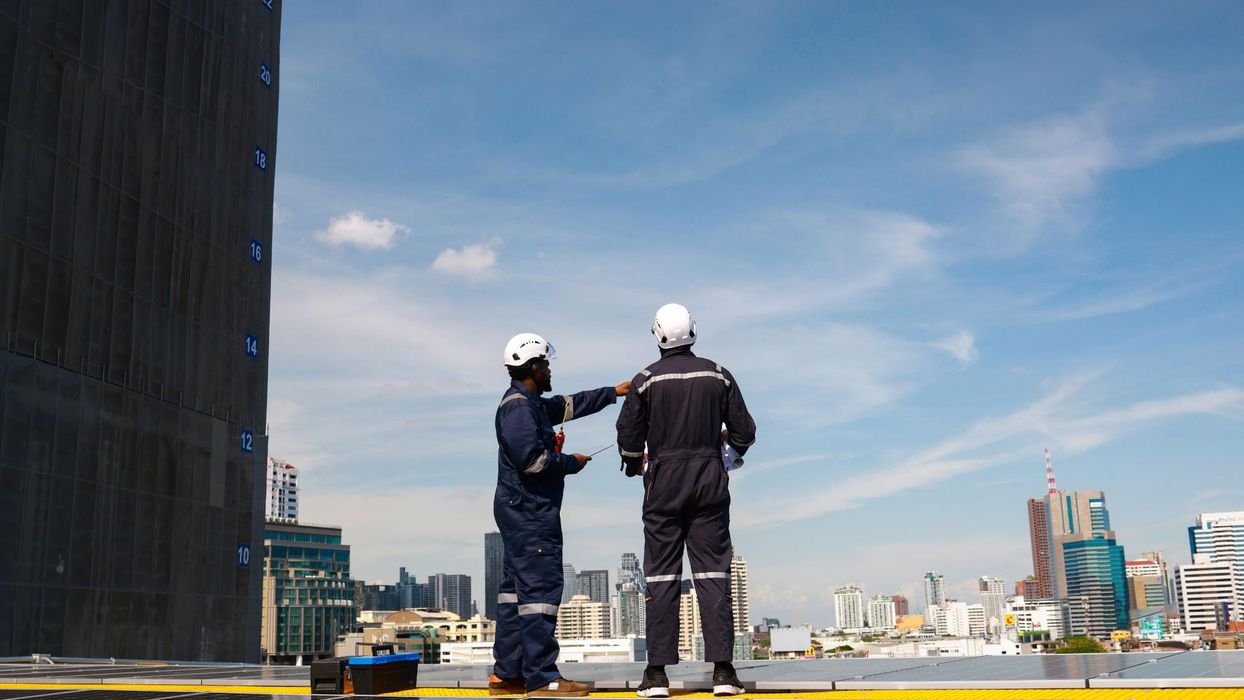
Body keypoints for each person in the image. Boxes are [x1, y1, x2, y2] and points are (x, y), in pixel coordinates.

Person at [616, 303, 756, 699]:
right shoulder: (718, 374)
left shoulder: (644, 380)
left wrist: (632, 463)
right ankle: (724, 673)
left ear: (657, 334)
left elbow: (628, 436)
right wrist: (729, 453)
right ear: (693, 331)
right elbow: (745, 430)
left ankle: (657, 674)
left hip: (662, 485)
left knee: (662, 576)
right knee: (713, 574)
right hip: (710, 481)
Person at [490, 332, 630, 697]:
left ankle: (507, 677)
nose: (550, 369)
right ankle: (542, 679)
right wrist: (572, 462)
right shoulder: (520, 408)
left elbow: (571, 404)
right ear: (533, 367)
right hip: (531, 514)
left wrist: (614, 392)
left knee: (514, 595)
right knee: (539, 593)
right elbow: (533, 461)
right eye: (546, 363)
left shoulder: (531, 404)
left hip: (520, 511)